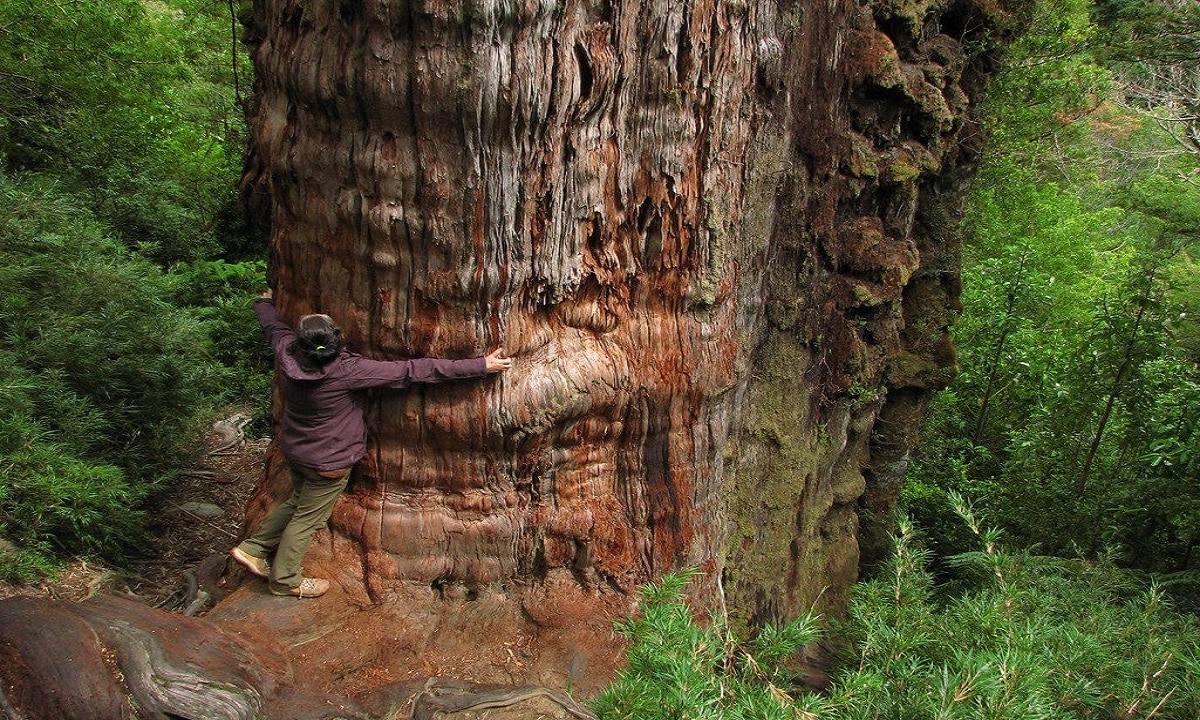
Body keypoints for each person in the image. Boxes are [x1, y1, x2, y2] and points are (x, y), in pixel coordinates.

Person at [230, 290, 511, 598]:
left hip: (296, 451)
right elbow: (413, 370)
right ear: (336, 342)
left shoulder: (287, 353)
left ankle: (253, 548)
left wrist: (263, 302)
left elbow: (273, 326)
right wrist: (479, 365)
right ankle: (285, 580)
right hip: (329, 464)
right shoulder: (348, 371)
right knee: (307, 519)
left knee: (299, 501)